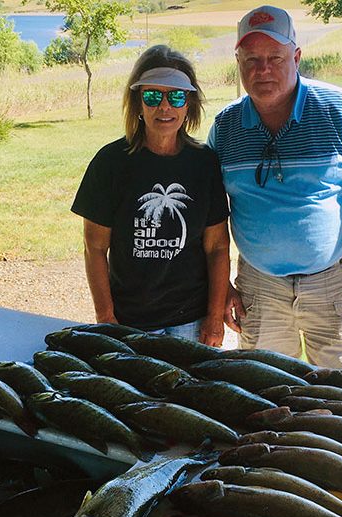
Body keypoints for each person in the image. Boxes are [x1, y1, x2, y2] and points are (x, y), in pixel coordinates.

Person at [209, 5, 342, 373]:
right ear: (238, 62)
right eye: (251, 59)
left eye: (275, 57)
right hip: (259, 287)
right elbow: (211, 215)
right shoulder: (225, 127)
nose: (262, 69)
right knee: (267, 394)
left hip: (337, 282)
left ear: (297, 57)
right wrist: (223, 288)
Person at [72, 46, 231, 346]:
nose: (165, 107)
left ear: (189, 104)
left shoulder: (205, 163)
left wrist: (213, 318)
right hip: (130, 320)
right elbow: (95, 248)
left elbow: (217, 247)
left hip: (192, 320)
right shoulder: (110, 163)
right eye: (153, 96)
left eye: (177, 96)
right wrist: (106, 317)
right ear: (137, 102)